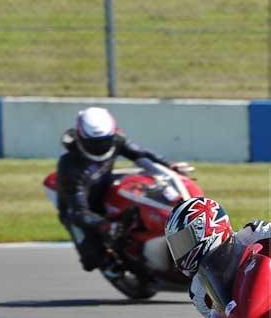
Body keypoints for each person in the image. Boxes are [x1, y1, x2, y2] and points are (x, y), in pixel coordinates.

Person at [55, 106, 191, 278]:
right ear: (81, 137)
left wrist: (169, 166)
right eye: (94, 143)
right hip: (79, 207)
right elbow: (78, 211)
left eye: (105, 141)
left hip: (105, 186)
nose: (100, 146)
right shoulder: (70, 166)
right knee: (93, 259)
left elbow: (141, 154)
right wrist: (103, 225)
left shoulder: (116, 140)